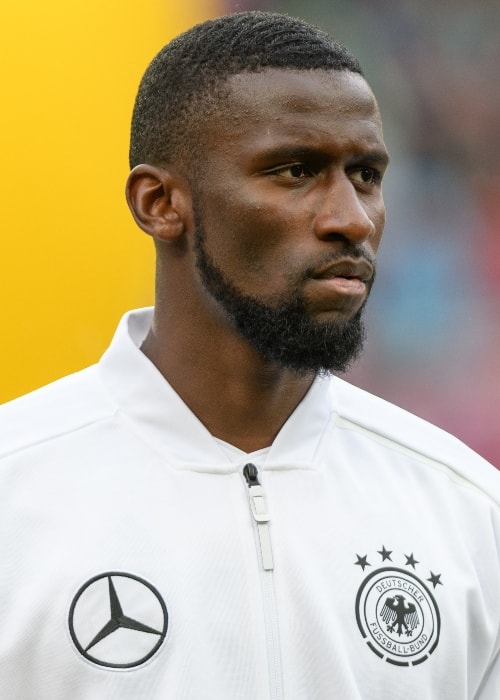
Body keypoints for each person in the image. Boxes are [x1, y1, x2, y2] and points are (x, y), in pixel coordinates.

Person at [0, 11, 499, 699]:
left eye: (366, 174)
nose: (351, 217)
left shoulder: (466, 511)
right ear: (160, 203)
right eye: (296, 171)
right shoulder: (16, 495)